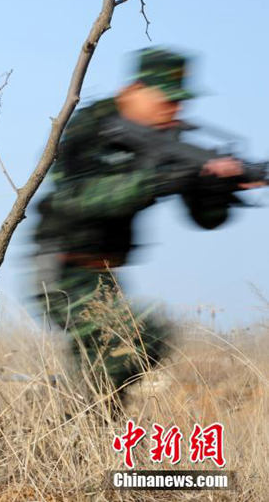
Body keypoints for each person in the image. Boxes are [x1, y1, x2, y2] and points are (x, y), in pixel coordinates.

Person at [33, 47, 262, 412]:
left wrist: (216, 187)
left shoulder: (168, 141)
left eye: (179, 101)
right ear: (135, 89)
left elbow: (206, 219)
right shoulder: (92, 125)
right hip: (60, 266)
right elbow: (79, 197)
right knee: (139, 337)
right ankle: (69, 419)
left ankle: (74, 434)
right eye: (166, 99)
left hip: (105, 275)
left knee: (114, 367)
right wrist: (159, 179)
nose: (174, 109)